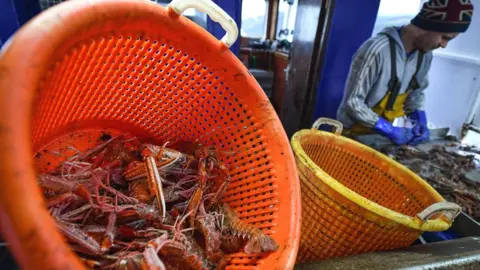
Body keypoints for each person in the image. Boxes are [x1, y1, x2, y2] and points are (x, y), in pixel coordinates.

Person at [337, 0, 474, 145]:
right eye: (445, 37)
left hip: (379, 137)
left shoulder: (424, 55)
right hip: (352, 134)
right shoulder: (377, 50)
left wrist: (419, 118)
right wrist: (389, 130)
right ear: (428, 26)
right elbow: (353, 102)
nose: (444, 45)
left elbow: (416, 91)